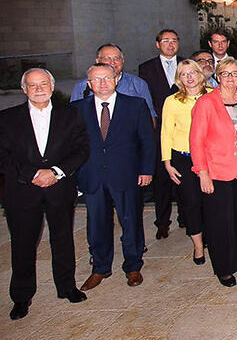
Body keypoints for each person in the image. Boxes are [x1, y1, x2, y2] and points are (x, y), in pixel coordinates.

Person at [0, 68, 89, 320]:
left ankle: (67, 286)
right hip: (22, 190)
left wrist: (56, 172)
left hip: (59, 188)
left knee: (62, 238)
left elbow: (82, 149)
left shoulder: (71, 115)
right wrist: (32, 174)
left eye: (43, 84)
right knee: (23, 243)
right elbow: (3, 155)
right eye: (32, 85)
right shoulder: (6, 118)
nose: (38, 89)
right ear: (24, 89)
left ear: (52, 86)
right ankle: (21, 296)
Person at [73, 63, 155, 291]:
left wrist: (146, 170)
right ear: (89, 84)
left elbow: (147, 142)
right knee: (97, 223)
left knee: (130, 220)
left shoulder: (135, 105)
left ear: (116, 79)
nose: (102, 83)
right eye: (96, 79)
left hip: (127, 174)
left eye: (107, 78)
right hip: (92, 175)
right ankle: (100, 267)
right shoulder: (78, 108)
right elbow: (74, 145)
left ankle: (133, 265)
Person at [190, 58, 237, 287]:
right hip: (216, 172)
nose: (230, 78)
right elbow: (196, 141)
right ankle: (224, 267)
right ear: (217, 77)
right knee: (220, 222)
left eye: (235, 74)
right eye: (225, 74)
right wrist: (202, 172)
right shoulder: (206, 103)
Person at [160, 59, 209, 266]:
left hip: (210, 158)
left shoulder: (213, 95)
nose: (189, 77)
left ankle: (213, 239)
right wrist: (167, 162)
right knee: (191, 202)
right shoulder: (172, 101)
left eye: (192, 72)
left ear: (200, 74)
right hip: (183, 159)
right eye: (183, 74)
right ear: (179, 78)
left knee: (211, 202)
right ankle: (198, 245)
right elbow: (166, 132)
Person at [139, 29, 183, 239]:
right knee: (162, 179)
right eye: (166, 41)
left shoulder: (186, 64)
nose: (170, 44)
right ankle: (162, 222)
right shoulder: (146, 68)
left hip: (184, 129)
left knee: (185, 173)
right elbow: (146, 100)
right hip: (159, 130)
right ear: (158, 44)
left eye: (174, 40)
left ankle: (186, 217)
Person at [70, 44, 155, 117]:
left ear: (123, 61)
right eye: (107, 58)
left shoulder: (138, 84)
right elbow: (73, 117)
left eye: (116, 58)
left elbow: (150, 115)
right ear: (97, 61)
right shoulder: (82, 86)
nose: (112, 62)